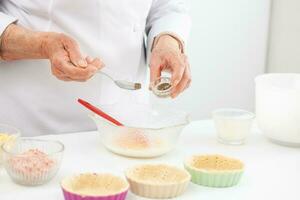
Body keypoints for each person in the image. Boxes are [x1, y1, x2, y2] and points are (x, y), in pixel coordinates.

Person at [0, 0, 191, 136]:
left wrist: (168, 41)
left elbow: (166, 6)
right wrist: (41, 45)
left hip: (128, 121)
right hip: (37, 125)